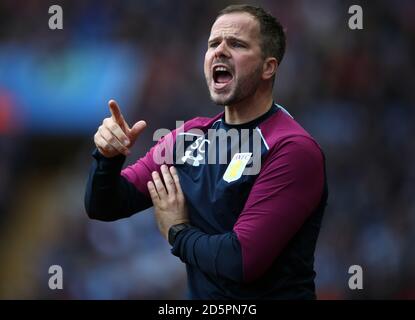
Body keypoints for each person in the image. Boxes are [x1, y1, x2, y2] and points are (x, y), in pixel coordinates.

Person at [85, 4, 328, 299]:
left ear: (268, 67)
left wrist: (177, 232)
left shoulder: (291, 149)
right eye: (213, 43)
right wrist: (107, 159)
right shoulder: (189, 137)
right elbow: (104, 205)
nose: (220, 51)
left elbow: (240, 261)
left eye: (236, 44)